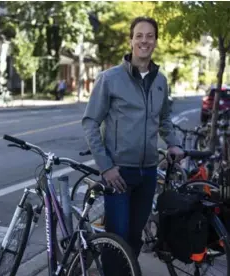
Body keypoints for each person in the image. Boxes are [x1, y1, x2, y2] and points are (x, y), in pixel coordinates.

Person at [82, 17, 184, 274]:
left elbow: (164, 119)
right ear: (131, 41)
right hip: (118, 173)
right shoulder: (110, 79)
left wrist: (173, 144)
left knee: (135, 237)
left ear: (155, 41)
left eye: (150, 36)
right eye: (139, 35)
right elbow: (90, 122)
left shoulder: (160, 81)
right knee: (117, 238)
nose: (144, 40)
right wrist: (105, 167)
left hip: (148, 172)